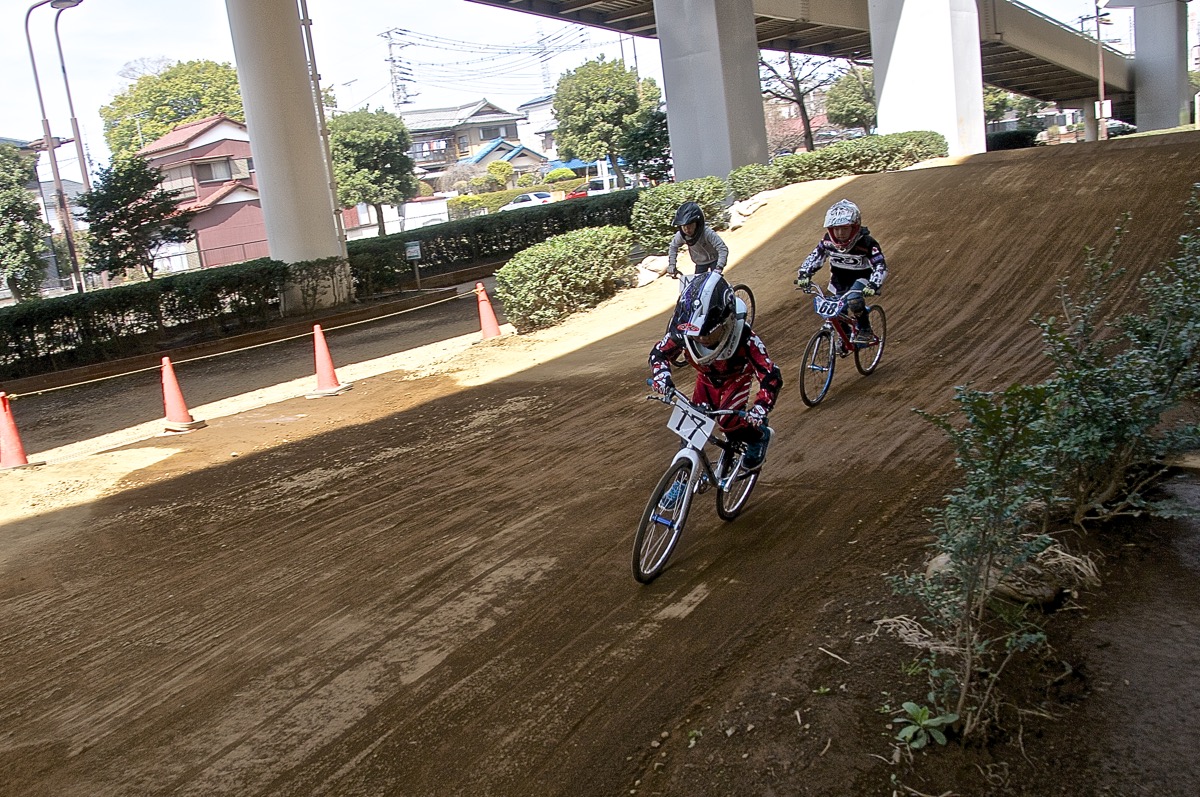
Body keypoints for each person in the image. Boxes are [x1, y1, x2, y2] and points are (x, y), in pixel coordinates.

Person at [649, 272, 782, 475]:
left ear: (727, 321)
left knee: (728, 422)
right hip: (706, 379)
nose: (701, 338)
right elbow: (659, 353)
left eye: (708, 333)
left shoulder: (746, 338)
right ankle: (681, 479)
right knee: (689, 429)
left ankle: (759, 436)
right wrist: (662, 376)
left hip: (736, 379)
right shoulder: (683, 333)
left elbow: (770, 374)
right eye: (696, 334)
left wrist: (760, 408)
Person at [795, 199, 888, 344]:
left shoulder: (867, 243)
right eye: (836, 229)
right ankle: (845, 337)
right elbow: (815, 257)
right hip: (839, 280)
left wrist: (874, 284)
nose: (840, 233)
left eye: (845, 229)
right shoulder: (827, 242)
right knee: (838, 311)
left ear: (854, 227)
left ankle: (865, 329)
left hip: (862, 278)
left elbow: (880, 265)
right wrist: (804, 273)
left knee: (854, 301)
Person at [666, 201, 729, 277]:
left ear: (697, 223)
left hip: (715, 260)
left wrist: (720, 266)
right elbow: (673, 247)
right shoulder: (681, 236)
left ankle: (728, 289)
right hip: (700, 263)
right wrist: (672, 265)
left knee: (715, 282)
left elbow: (722, 248)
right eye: (683, 226)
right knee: (697, 285)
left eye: (689, 225)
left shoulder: (707, 233)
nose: (686, 229)